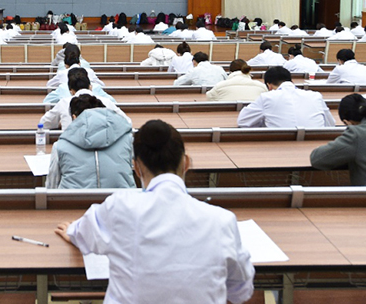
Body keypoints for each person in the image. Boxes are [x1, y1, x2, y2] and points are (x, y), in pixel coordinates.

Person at [54, 119, 255, 303]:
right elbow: (241, 292)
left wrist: (72, 231)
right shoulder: (222, 221)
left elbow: (82, 233)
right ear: (186, 163)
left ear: (136, 168)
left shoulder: (119, 207)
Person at [46, 94, 135, 189]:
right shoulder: (128, 140)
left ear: (74, 118)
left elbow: (51, 187)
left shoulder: (60, 146)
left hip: (73, 199)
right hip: (122, 198)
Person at [237, 66, 335, 128]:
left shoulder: (266, 97)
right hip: (316, 148)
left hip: (278, 148)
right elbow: (331, 124)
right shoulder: (315, 96)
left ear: (269, 86)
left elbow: (243, 121)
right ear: (292, 81)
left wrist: (264, 122)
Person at [41, 68, 128, 130]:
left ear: (71, 91)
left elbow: (43, 124)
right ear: (90, 87)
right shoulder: (106, 102)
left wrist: (60, 123)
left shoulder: (63, 103)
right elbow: (126, 122)